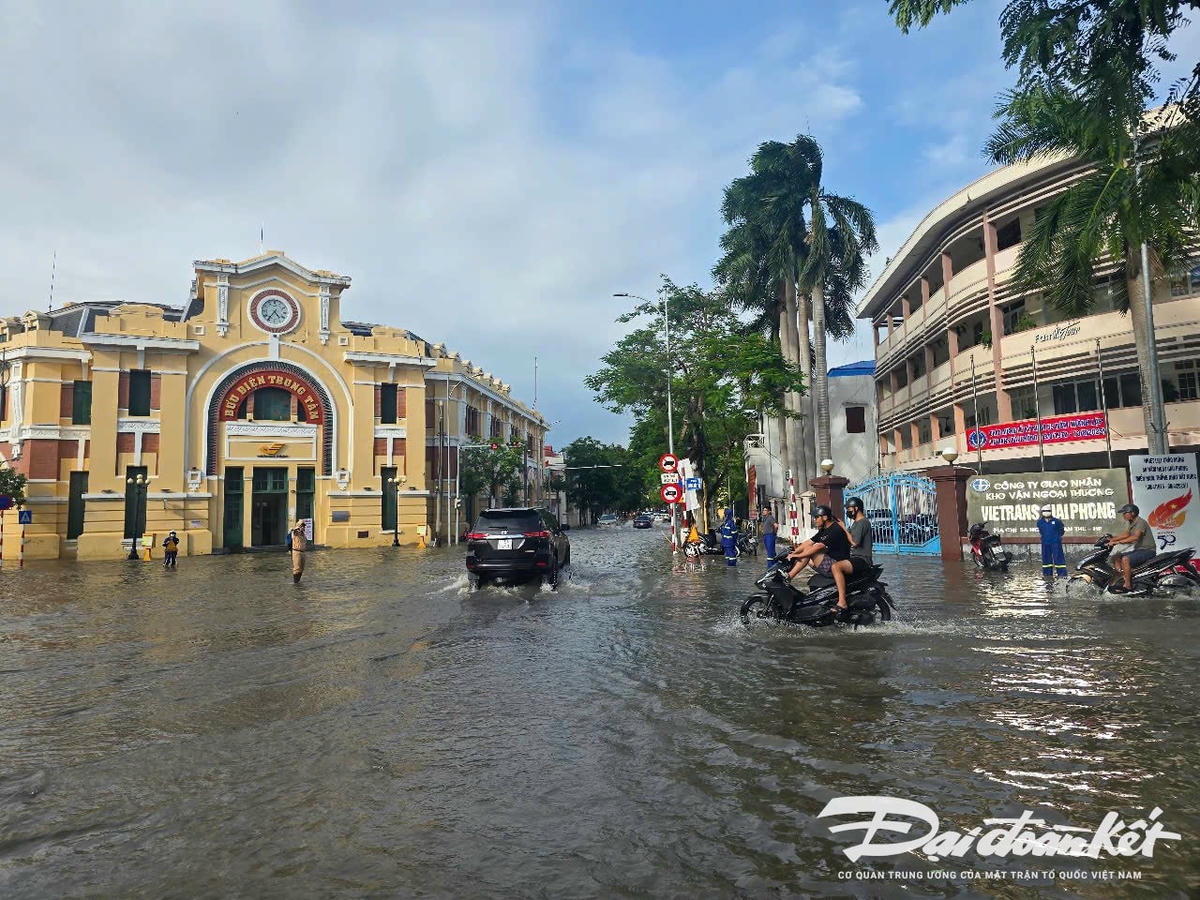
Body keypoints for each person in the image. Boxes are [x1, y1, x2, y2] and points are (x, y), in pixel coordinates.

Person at [786, 505, 854, 612]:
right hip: (829, 562)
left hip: (837, 564)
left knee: (811, 551)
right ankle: (788, 576)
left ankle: (789, 577)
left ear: (825, 517)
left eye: (817, 517)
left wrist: (797, 555)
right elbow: (808, 542)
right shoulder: (824, 530)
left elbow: (817, 547)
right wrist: (794, 552)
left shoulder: (835, 529)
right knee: (808, 549)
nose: (815, 520)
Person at [1105, 503, 1156, 593]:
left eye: (1125, 513)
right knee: (1116, 557)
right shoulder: (1132, 523)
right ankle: (1124, 576)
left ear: (1132, 513)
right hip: (1139, 550)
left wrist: (1117, 542)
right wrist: (1112, 539)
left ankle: (1128, 585)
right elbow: (1127, 534)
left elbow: (1135, 537)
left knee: (1125, 559)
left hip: (1148, 550)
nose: (1123, 515)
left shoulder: (1140, 522)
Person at [1036, 505, 1067, 578]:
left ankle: (1062, 575)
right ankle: (1047, 575)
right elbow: (1041, 532)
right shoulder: (1040, 522)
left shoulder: (1057, 521)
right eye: (1044, 511)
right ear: (1042, 512)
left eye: (1048, 511)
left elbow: (1062, 531)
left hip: (1056, 543)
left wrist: (1056, 538)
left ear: (1051, 512)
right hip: (1045, 543)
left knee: (1058, 558)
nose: (1046, 512)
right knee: (1046, 559)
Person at [843, 497, 872, 568]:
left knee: (836, 567)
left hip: (862, 558)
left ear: (856, 508)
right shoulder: (856, 522)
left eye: (849, 509)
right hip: (854, 557)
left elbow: (854, 543)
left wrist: (843, 527)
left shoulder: (862, 522)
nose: (847, 512)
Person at [290, 520, 309, 584]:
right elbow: (292, 530)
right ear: (299, 526)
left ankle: (298, 581)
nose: (303, 527)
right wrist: (297, 528)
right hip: (296, 552)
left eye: (304, 526)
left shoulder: (303, 534)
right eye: (302, 526)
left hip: (303, 552)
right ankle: (295, 582)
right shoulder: (296, 533)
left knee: (301, 568)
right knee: (297, 568)